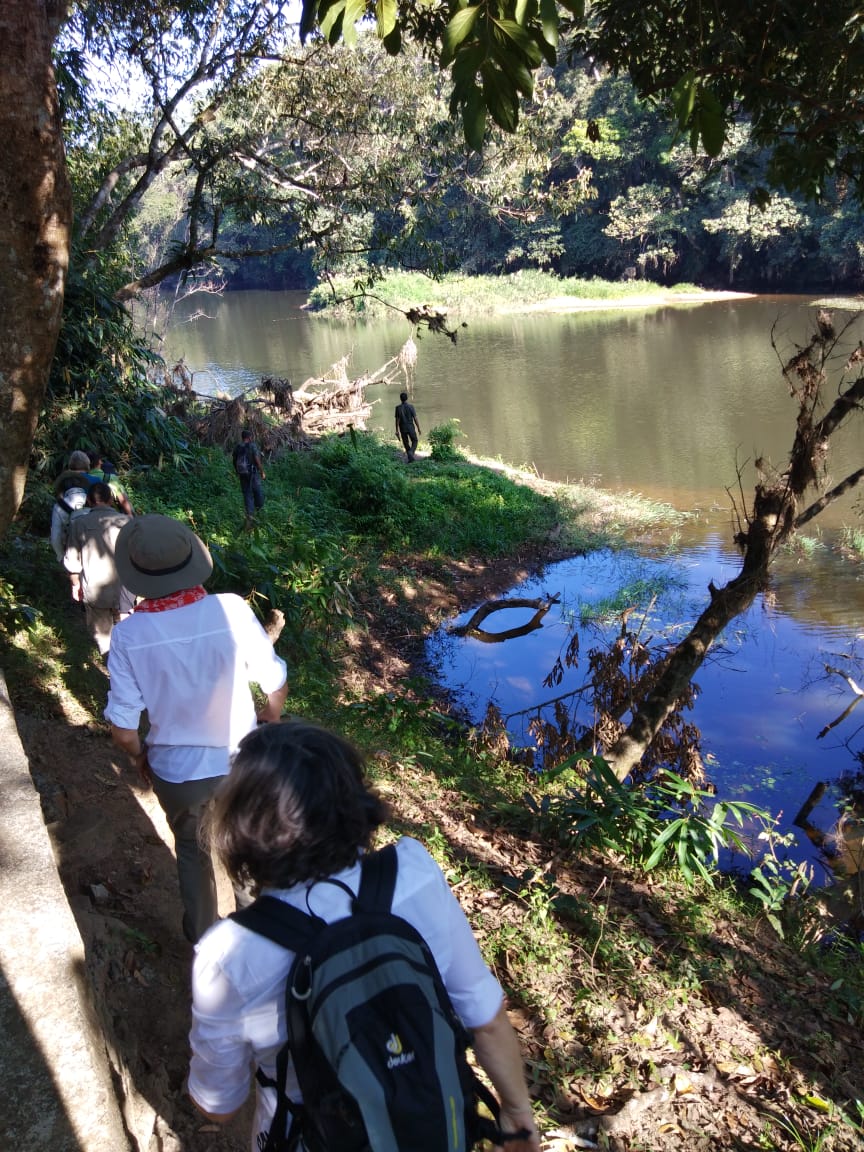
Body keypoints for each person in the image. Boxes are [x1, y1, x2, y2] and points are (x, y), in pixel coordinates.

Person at [188, 720, 541, 1152]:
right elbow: (485, 1020)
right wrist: (518, 1115)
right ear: (353, 799)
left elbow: (219, 1104)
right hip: (431, 1126)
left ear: (239, 832)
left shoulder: (226, 954)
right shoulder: (414, 871)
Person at [104, 514, 289, 943]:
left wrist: (139, 757)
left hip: (176, 773)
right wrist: (271, 717)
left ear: (137, 576)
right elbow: (274, 681)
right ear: (192, 557)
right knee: (246, 849)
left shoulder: (129, 636)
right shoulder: (231, 609)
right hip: (240, 765)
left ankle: (206, 948)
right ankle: (257, 937)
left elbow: (124, 728)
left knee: (192, 852)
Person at [63, 482, 134, 657]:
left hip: (94, 590)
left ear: (88, 501)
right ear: (111, 499)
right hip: (126, 590)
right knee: (129, 636)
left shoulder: (79, 524)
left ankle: (113, 672)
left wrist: (75, 584)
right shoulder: (127, 522)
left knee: (105, 640)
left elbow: (73, 559)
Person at [50, 450, 93, 563]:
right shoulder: (93, 502)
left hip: (71, 551)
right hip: (94, 550)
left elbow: (55, 537)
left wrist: (61, 557)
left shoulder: (59, 506)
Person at [85, 448, 134, 515]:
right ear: (100, 462)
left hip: (88, 513)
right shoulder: (110, 478)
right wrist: (130, 514)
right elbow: (122, 499)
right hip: (110, 513)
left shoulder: (81, 479)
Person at [232, 428, 266, 527]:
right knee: (257, 492)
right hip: (253, 474)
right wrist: (262, 471)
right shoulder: (252, 446)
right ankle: (260, 513)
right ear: (249, 437)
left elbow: (234, 460)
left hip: (243, 474)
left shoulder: (238, 447)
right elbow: (257, 459)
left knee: (247, 495)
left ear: (242, 437)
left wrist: (237, 471)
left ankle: (249, 518)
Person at [395, 391, 421, 462]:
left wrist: (397, 430)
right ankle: (411, 453)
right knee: (415, 440)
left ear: (400, 399)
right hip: (410, 428)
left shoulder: (398, 408)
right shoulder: (411, 407)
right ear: (407, 398)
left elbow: (397, 420)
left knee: (406, 443)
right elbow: (415, 418)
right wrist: (418, 428)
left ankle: (410, 456)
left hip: (402, 428)